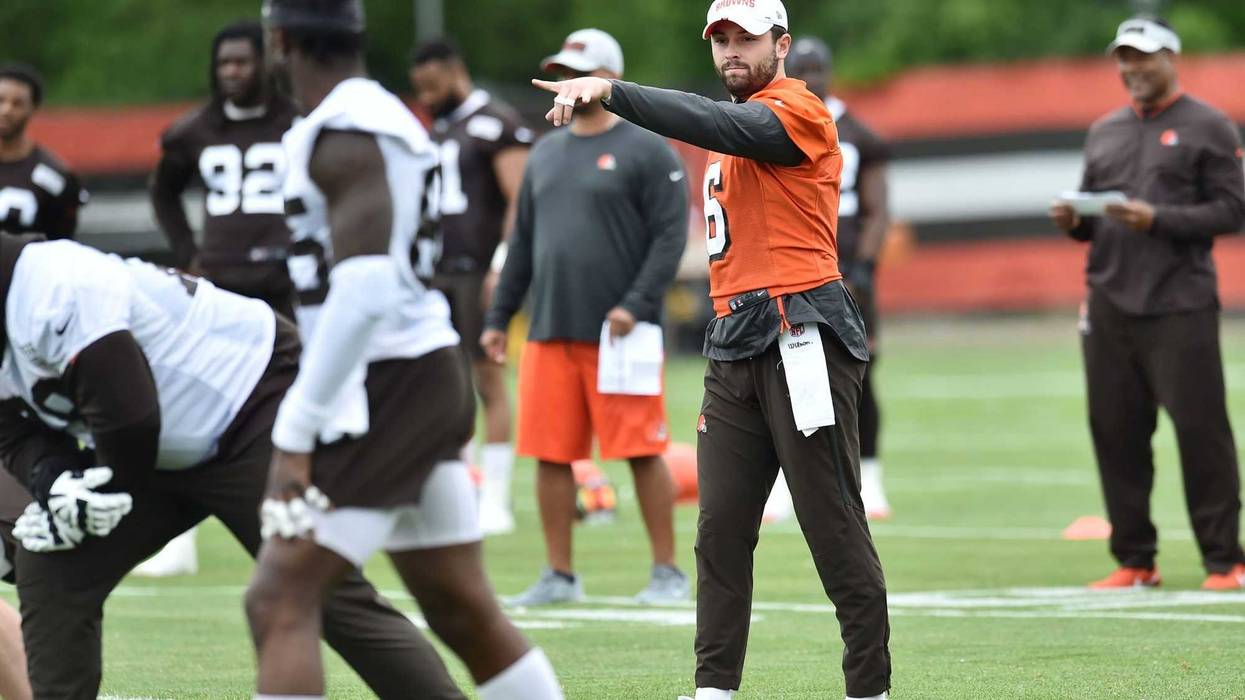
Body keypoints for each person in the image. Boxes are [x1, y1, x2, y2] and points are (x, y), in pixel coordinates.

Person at [529, 1, 891, 698]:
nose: (730, 52)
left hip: (799, 331)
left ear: (780, 45)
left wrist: (615, 91)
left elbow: (722, 121)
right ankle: (713, 690)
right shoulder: (733, 130)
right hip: (733, 339)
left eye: (745, 40)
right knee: (720, 530)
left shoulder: (798, 109)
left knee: (831, 523)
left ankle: (867, 689)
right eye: (719, 40)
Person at [245, 3, 563, 699]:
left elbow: (365, 286)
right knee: (460, 606)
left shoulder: (348, 124)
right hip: (416, 370)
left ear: (280, 38)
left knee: (278, 599)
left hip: (388, 381)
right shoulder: (368, 116)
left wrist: (297, 429)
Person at [0, 233, 466, 700]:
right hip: (155, 443)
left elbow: (130, 412)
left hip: (251, 408)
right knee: (52, 561)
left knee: (316, 590)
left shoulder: (55, 286)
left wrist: (107, 490)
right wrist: (56, 482)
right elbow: (10, 431)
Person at [482, 28, 690, 607]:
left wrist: (636, 304)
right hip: (549, 329)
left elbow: (670, 239)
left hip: (620, 333)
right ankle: (558, 574)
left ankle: (667, 571)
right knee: (550, 454)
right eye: (563, 71)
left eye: (581, 70)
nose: (569, 82)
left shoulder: (650, 149)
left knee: (642, 450)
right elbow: (523, 242)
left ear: (612, 79)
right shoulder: (545, 152)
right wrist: (500, 315)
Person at [1049, 16, 1245, 591]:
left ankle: (1225, 560)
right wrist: (1073, 220)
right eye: (1124, 58)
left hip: (1179, 304)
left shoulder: (1210, 126)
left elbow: (1232, 211)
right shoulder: (1105, 130)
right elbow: (1092, 219)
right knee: (1115, 431)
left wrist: (1156, 219)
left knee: (1201, 430)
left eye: (1143, 57)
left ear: (1171, 59)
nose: (1131, 68)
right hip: (1109, 301)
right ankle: (1136, 559)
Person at [142, 20, 301, 578]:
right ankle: (176, 539)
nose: (232, 71)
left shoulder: (298, 122)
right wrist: (187, 250)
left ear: (267, 64)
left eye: (243, 61)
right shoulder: (193, 130)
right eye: (225, 63)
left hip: (287, 286)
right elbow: (161, 189)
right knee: (198, 408)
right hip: (220, 290)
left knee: (295, 404)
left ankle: (299, 513)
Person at [410, 38, 533, 536]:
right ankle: (460, 492)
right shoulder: (435, 129)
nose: (427, 95)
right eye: (420, 87)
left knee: (487, 380)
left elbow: (519, 199)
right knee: (445, 383)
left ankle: (496, 499)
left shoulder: (495, 123)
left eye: (433, 84)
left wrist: (502, 264)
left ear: (456, 72)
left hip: (479, 270)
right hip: (436, 272)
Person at [787, 36, 892, 520]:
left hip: (845, 274)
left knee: (859, 375)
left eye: (817, 69)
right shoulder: (775, 120)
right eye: (800, 68)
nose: (810, 78)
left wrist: (863, 271)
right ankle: (786, 485)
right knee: (785, 374)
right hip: (794, 271)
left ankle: (870, 479)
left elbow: (877, 210)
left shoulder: (858, 134)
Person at [0, 64, 87, 239]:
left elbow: (62, 246)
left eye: (17, 103)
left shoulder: (54, 176)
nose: (6, 110)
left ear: (33, 108)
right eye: (0, 100)